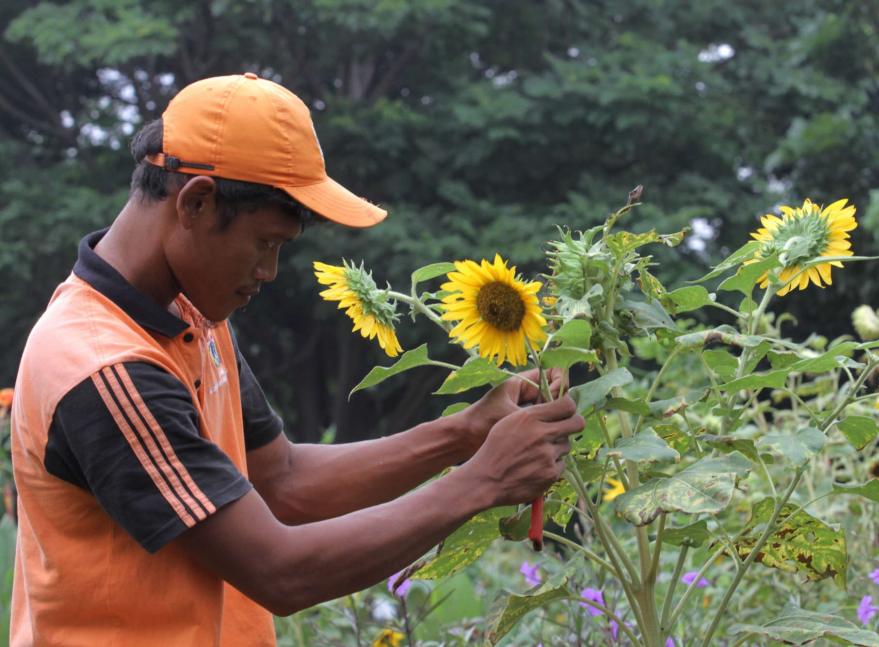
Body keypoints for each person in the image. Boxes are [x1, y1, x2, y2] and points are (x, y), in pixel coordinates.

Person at [9, 73, 583, 647]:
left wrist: (467, 433)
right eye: (266, 243)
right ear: (196, 202)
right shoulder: (105, 369)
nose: (269, 272)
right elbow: (279, 571)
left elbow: (282, 482)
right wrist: (483, 480)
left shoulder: (191, 316)